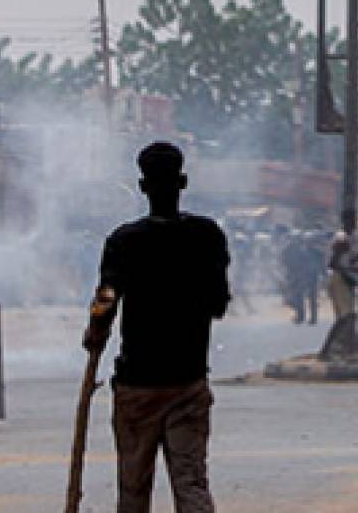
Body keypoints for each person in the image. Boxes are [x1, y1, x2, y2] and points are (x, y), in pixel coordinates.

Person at [84, 142, 231, 513]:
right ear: (182, 182)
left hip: (137, 384)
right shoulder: (207, 236)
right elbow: (218, 304)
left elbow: (106, 297)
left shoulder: (124, 241)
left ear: (142, 186)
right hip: (188, 379)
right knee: (191, 482)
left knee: (133, 486)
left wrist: (95, 331)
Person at [320, 211, 358, 359]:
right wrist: (353, 272)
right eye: (351, 220)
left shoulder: (346, 238)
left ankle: (339, 348)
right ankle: (329, 349)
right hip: (339, 279)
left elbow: (345, 261)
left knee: (345, 317)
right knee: (347, 317)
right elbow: (335, 263)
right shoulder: (342, 238)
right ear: (345, 221)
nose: (354, 224)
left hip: (340, 278)